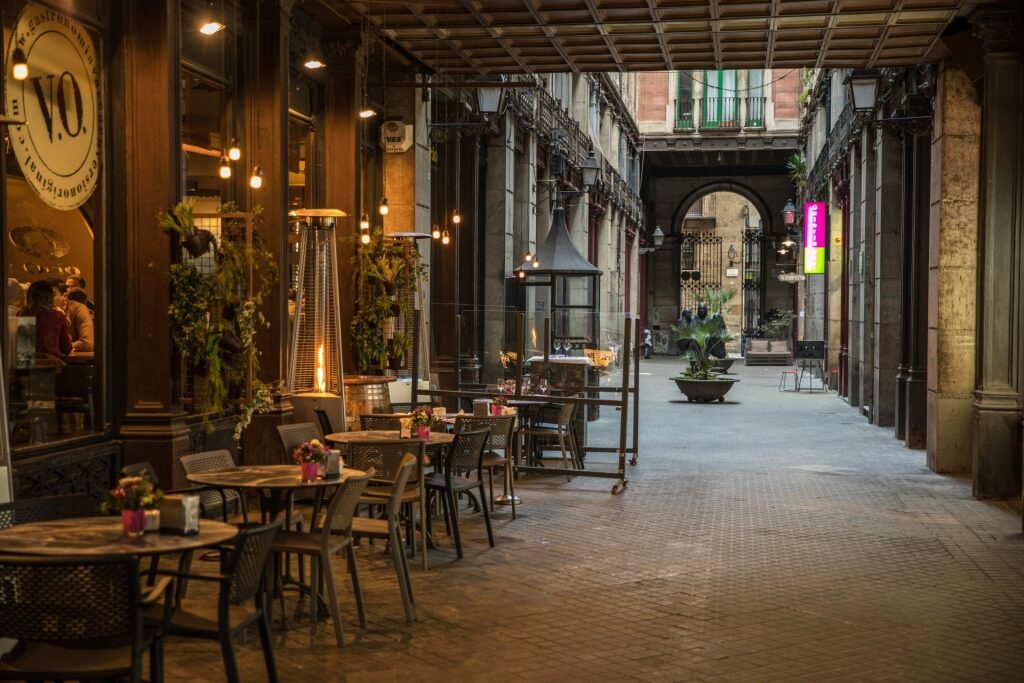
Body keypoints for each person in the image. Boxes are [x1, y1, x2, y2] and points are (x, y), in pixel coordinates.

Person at [19, 280, 72, 359]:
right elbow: (66, 348)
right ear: (50, 297)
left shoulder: (23, 314)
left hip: (29, 366)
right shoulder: (57, 315)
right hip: (52, 364)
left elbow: (23, 350)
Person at [50, 279, 93, 352]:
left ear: (65, 296)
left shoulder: (78, 308)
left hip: (70, 361)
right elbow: (27, 353)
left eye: (52, 295)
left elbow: (87, 343)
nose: (47, 299)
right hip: (44, 361)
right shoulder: (32, 313)